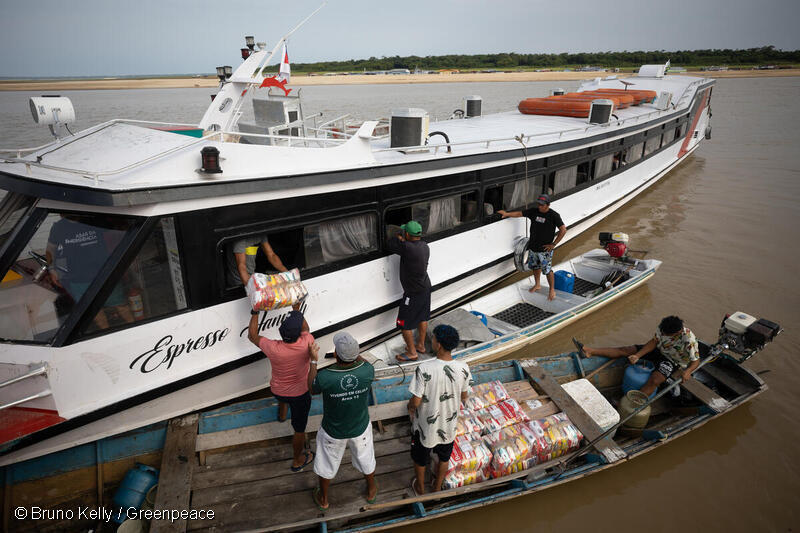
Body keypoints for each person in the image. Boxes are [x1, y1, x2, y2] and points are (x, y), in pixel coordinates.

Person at [308, 332, 377, 510]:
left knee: (326, 465)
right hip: (360, 428)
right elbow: (364, 363)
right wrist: (353, 354)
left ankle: (323, 499)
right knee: (366, 459)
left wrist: (313, 361)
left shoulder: (326, 377)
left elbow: (312, 388)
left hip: (333, 431)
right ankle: (371, 490)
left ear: (336, 355)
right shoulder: (367, 371)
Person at [248, 301, 315, 472]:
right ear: (299, 333)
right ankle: (297, 460)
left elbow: (252, 335)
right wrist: (296, 309)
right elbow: (306, 329)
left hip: (278, 391)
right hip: (300, 394)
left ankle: (282, 413)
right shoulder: (307, 341)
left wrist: (255, 312)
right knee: (299, 429)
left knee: (284, 396)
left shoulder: (273, 347)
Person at [406, 325, 472, 495]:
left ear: (439, 345)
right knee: (444, 457)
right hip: (449, 425)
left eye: (433, 338)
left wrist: (410, 406)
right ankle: (436, 489)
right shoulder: (464, 367)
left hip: (425, 428)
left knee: (420, 458)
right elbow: (464, 395)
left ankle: (420, 488)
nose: (432, 341)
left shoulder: (424, 368)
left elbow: (416, 401)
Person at [573, 315, 701, 397]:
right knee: (626, 350)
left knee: (655, 380)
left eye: (666, 334)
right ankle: (589, 351)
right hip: (658, 350)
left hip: (672, 361)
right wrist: (638, 355)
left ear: (677, 333)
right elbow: (654, 342)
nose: (662, 334)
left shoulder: (689, 339)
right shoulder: (664, 326)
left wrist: (688, 371)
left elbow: (696, 360)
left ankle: (631, 402)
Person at [46, 214, 133, 329]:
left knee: (120, 304)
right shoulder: (58, 228)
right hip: (77, 279)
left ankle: (134, 327)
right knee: (94, 310)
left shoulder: (94, 219)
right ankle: (105, 332)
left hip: (105, 275)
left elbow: (120, 230)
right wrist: (52, 269)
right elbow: (50, 249)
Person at [498, 193, 566, 301]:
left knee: (548, 270)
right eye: (539, 204)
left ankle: (552, 289)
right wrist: (507, 214)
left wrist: (553, 244)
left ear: (548, 205)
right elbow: (520, 213)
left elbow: (563, 230)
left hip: (545, 250)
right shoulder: (534, 211)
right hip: (533, 247)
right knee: (535, 267)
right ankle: (537, 284)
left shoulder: (554, 215)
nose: (539, 206)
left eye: (542, 205)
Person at [386, 220, 431, 362]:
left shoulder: (406, 247)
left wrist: (398, 237)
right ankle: (420, 345)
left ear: (406, 234)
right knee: (422, 317)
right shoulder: (425, 246)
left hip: (413, 292)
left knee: (403, 324)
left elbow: (389, 243)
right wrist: (404, 239)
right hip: (426, 287)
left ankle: (412, 352)